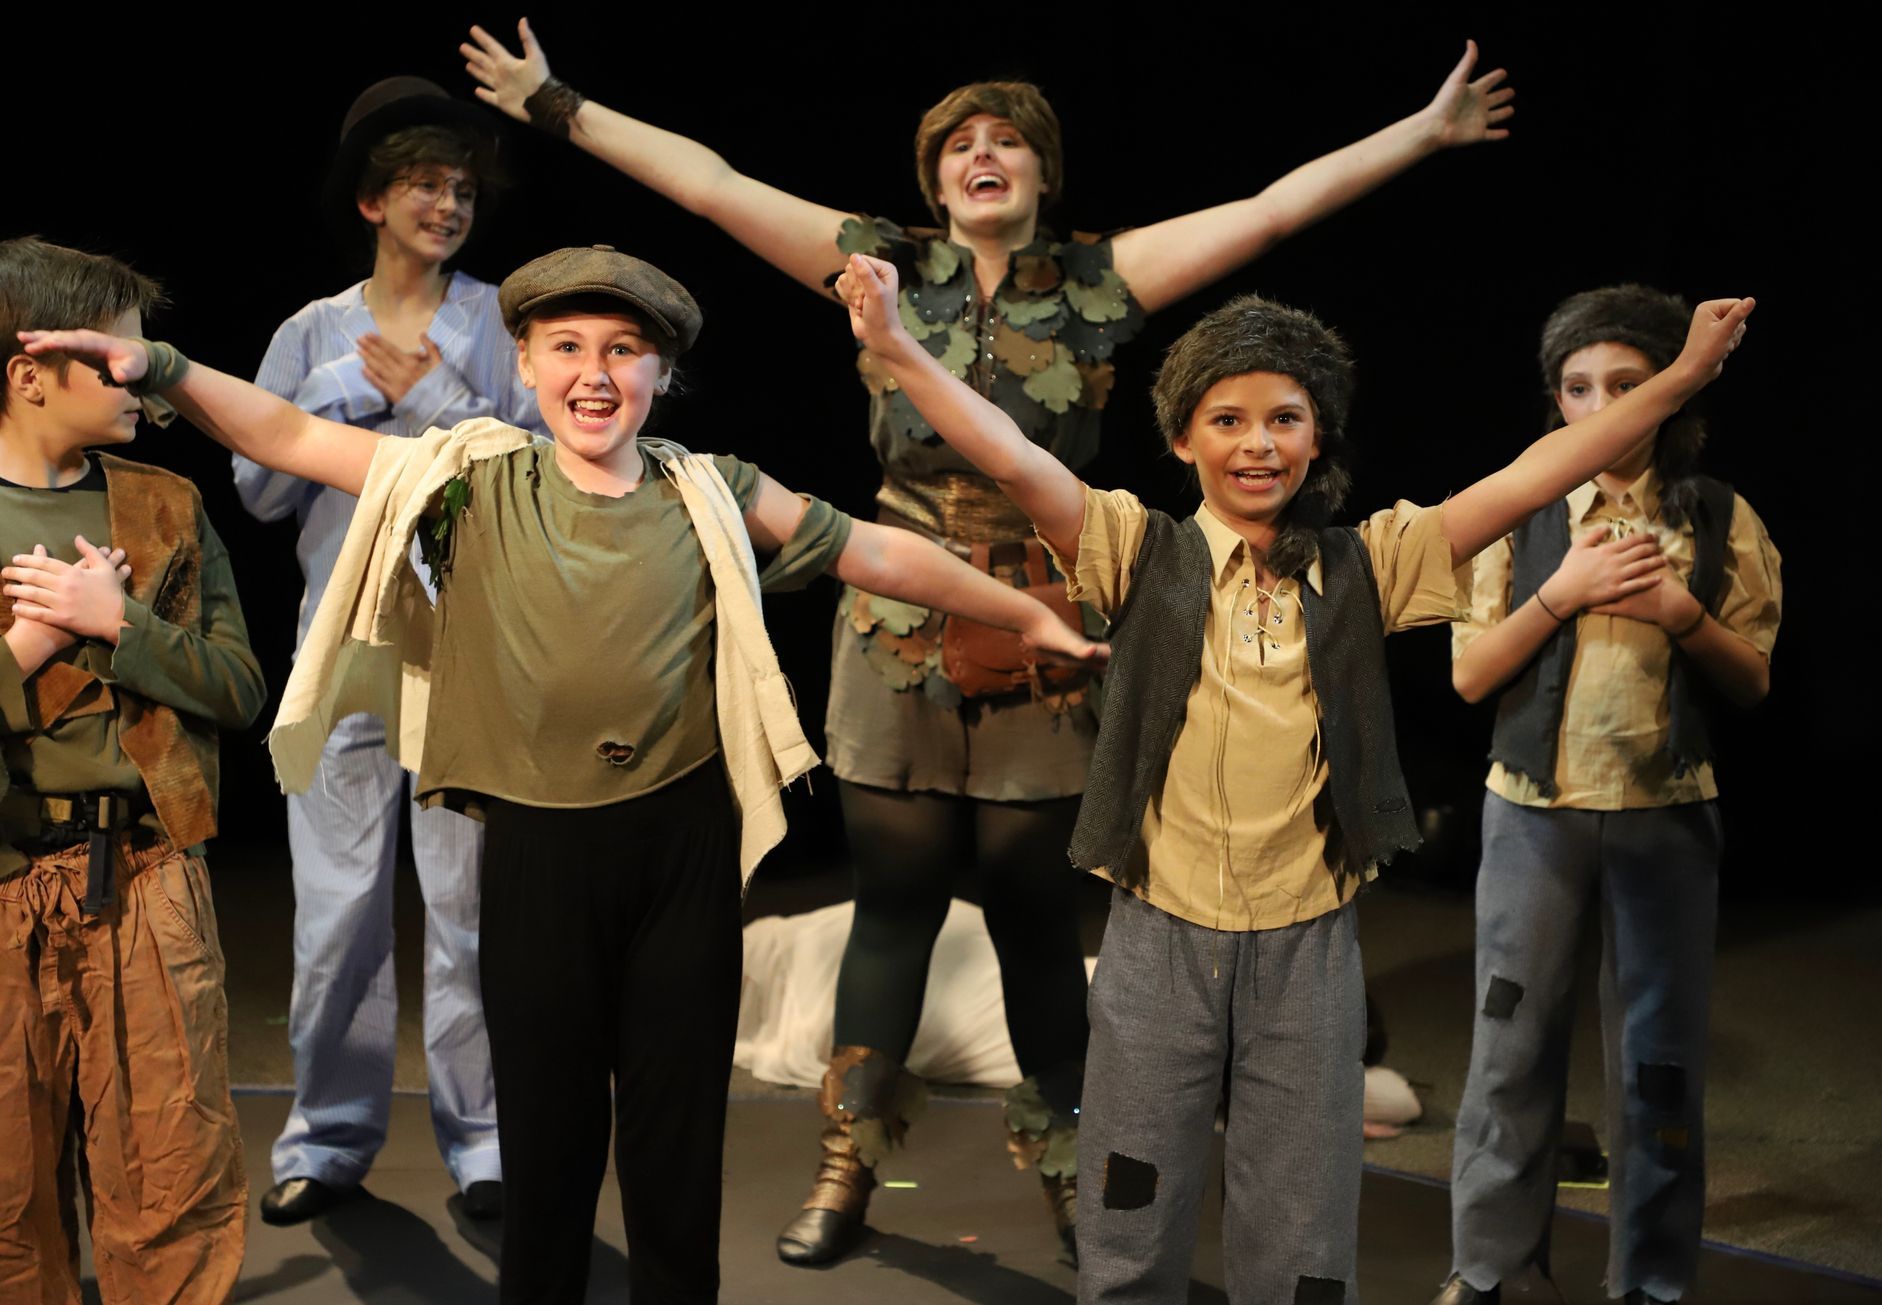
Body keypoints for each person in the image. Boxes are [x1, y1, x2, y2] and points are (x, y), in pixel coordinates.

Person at [459, 19, 1517, 1264]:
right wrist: (553, 103)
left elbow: (1276, 207)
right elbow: (711, 182)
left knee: (1029, 909)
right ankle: (847, 1165)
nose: (984, 151)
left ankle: (1080, 1174)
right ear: (932, 173)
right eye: (960, 139)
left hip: (1050, 622)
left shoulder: (1100, 284)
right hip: (898, 622)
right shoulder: (875, 262)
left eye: (1009, 138)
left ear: (1042, 171)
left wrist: (1424, 131)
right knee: (894, 903)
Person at [21, 242, 1105, 1305]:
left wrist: (1021, 614)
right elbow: (291, 433)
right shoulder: (473, 479)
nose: (596, 372)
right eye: (567, 346)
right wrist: (159, 367)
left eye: (626, 349)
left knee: (676, 1141)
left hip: (680, 850)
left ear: (659, 375)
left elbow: (876, 551)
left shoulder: (709, 491)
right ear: (526, 365)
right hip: (539, 850)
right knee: (547, 1147)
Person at [833, 251, 1753, 1302]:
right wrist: (898, 348)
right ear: (1183, 438)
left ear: (1318, 440)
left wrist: (1677, 380)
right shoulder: (1136, 548)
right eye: (1226, 420)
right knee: (1131, 1200)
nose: (1257, 444)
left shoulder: (1376, 563)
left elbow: (1528, 478)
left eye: (1284, 418)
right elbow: (1011, 456)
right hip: (1160, 940)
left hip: (1308, 945)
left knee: (1304, 1224)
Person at [1433, 286, 1782, 1305]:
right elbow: (1467, 676)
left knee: (1658, 1066)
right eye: (1578, 389)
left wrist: (1679, 611)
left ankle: (1652, 1280)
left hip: (1664, 817)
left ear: (1668, 395)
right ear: (1556, 405)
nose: (1601, 406)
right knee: (1511, 1047)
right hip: (1534, 819)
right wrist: (1562, 592)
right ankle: (1492, 1270)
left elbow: (1753, 677)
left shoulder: (1716, 516)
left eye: (1626, 385)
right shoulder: (1522, 512)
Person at [236, 74, 541, 1229]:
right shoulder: (310, 331)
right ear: (373, 199)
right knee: (335, 914)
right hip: (345, 648)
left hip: (469, 651)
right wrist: (341, 390)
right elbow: (259, 490)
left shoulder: (503, 318)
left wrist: (450, 396)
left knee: (470, 915)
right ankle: (328, 1137)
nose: (448, 205)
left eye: (462, 188)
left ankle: (486, 1144)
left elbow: (541, 473)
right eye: (424, 184)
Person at [1, 236, 266, 1303]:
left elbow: (241, 689)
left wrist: (121, 628)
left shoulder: (163, 505)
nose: (140, 377)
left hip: (145, 876)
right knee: (10, 1189)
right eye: (115, 355)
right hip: (7, 875)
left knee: (171, 1174)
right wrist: (30, 649)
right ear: (28, 374)